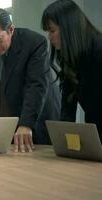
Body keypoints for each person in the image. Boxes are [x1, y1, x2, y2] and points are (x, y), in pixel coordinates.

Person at [0, 8, 60, 152]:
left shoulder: (34, 42)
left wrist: (26, 123)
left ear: (11, 30)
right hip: (11, 115)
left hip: (39, 113)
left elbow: (36, 85)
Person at [41, 0, 102, 143]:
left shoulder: (99, 50)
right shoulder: (71, 56)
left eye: (52, 30)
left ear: (68, 28)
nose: (49, 37)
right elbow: (68, 105)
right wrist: (65, 141)